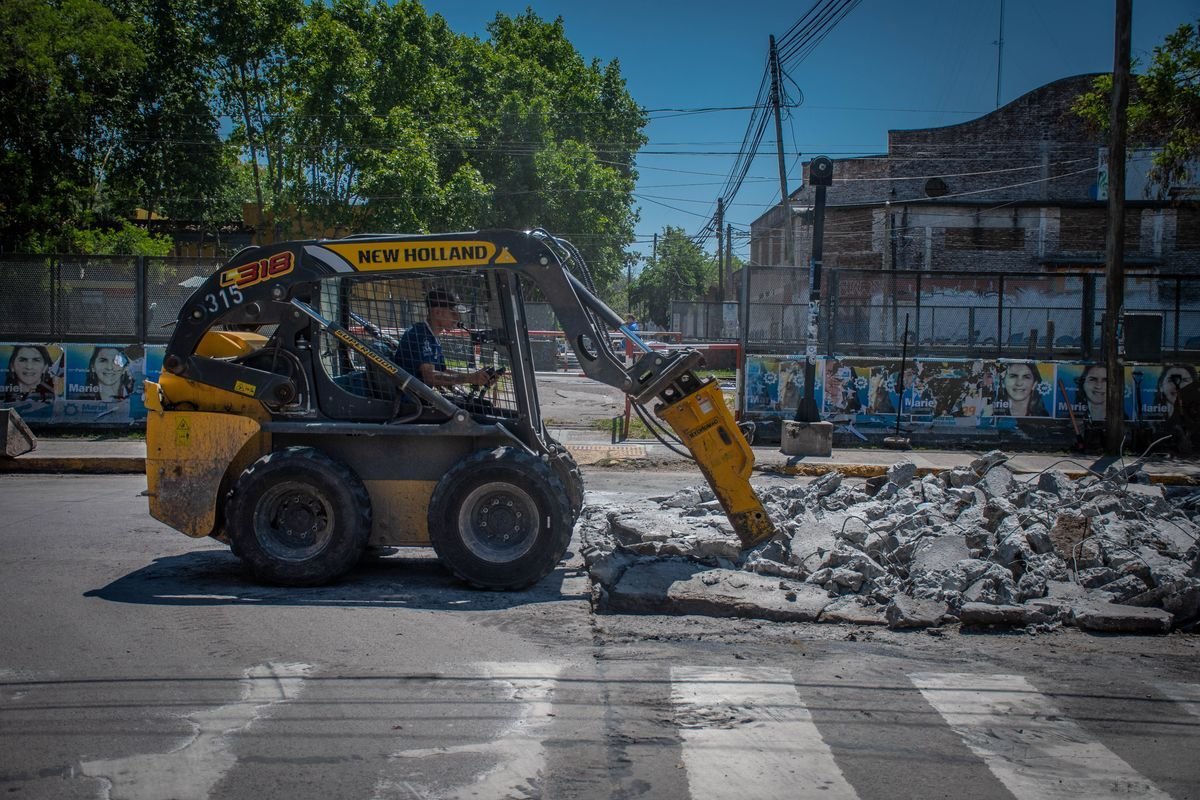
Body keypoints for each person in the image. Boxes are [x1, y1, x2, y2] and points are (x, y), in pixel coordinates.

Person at [395, 289, 494, 390]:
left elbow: (442, 372)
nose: (457, 317)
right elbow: (430, 377)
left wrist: (475, 376)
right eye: (453, 313)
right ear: (437, 312)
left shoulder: (432, 336)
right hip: (410, 401)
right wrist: (469, 378)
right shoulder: (420, 335)